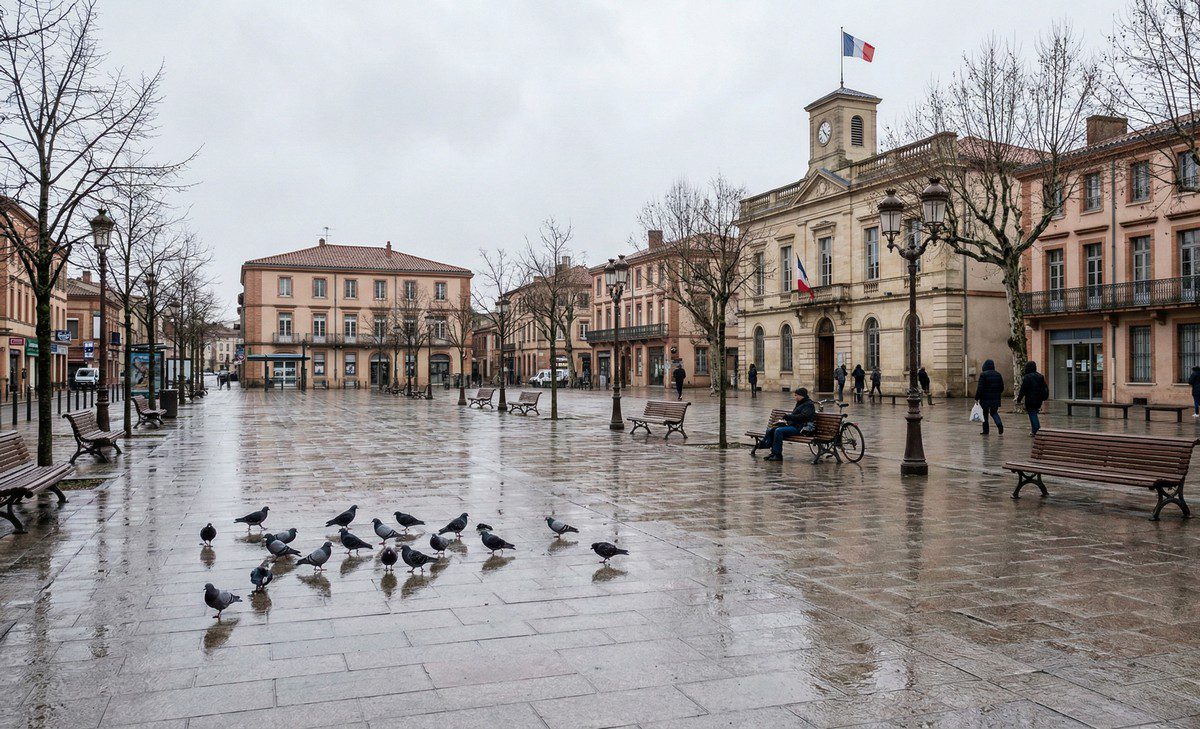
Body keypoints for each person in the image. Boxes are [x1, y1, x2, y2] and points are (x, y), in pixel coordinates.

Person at [757, 387, 817, 461]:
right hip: (794, 425)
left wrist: (788, 417)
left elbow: (803, 417)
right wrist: (785, 422)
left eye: (796, 395)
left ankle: (777, 454)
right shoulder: (800, 403)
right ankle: (772, 451)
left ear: (801, 395)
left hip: (800, 428)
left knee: (778, 431)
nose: (795, 397)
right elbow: (795, 416)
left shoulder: (809, 404)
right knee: (771, 429)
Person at [1016, 360, 1049, 434]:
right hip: (1038, 399)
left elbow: (1023, 389)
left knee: (1032, 414)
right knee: (1034, 413)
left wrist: (1019, 399)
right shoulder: (1040, 376)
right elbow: (1044, 387)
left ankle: (1037, 430)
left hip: (1030, 399)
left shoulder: (1027, 377)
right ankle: (1034, 430)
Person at [974, 359, 1005, 435]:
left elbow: (980, 388)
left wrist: (977, 397)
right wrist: (997, 393)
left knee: (985, 414)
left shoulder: (983, 375)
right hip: (995, 398)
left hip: (985, 399)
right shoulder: (998, 374)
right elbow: (1002, 387)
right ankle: (999, 424)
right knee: (994, 412)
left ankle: (986, 431)